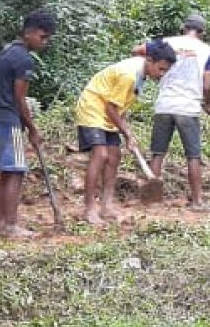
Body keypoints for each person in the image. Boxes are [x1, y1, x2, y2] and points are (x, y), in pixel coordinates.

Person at [74, 41, 177, 225]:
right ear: (149, 60)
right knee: (101, 154)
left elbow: (121, 105)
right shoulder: (129, 75)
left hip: (108, 111)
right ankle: (89, 209)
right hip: (93, 108)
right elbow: (111, 107)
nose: (161, 74)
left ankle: (106, 205)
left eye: (165, 71)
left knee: (114, 156)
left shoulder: (141, 74)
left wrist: (125, 129)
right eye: (160, 69)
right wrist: (127, 134)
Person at [133, 13, 210, 209]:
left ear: (183, 28)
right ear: (202, 32)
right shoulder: (207, 50)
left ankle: (152, 201)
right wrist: (209, 103)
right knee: (193, 156)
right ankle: (197, 201)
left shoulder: (167, 42)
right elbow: (208, 83)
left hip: (164, 104)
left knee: (158, 153)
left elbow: (136, 50)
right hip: (188, 107)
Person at [0, 10, 57, 238]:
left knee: (7, 174)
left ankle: (1, 225)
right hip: (10, 121)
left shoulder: (7, 51)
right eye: (43, 37)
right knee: (16, 172)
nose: (44, 42)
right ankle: (9, 225)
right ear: (31, 32)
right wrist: (33, 129)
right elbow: (19, 99)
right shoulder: (24, 59)